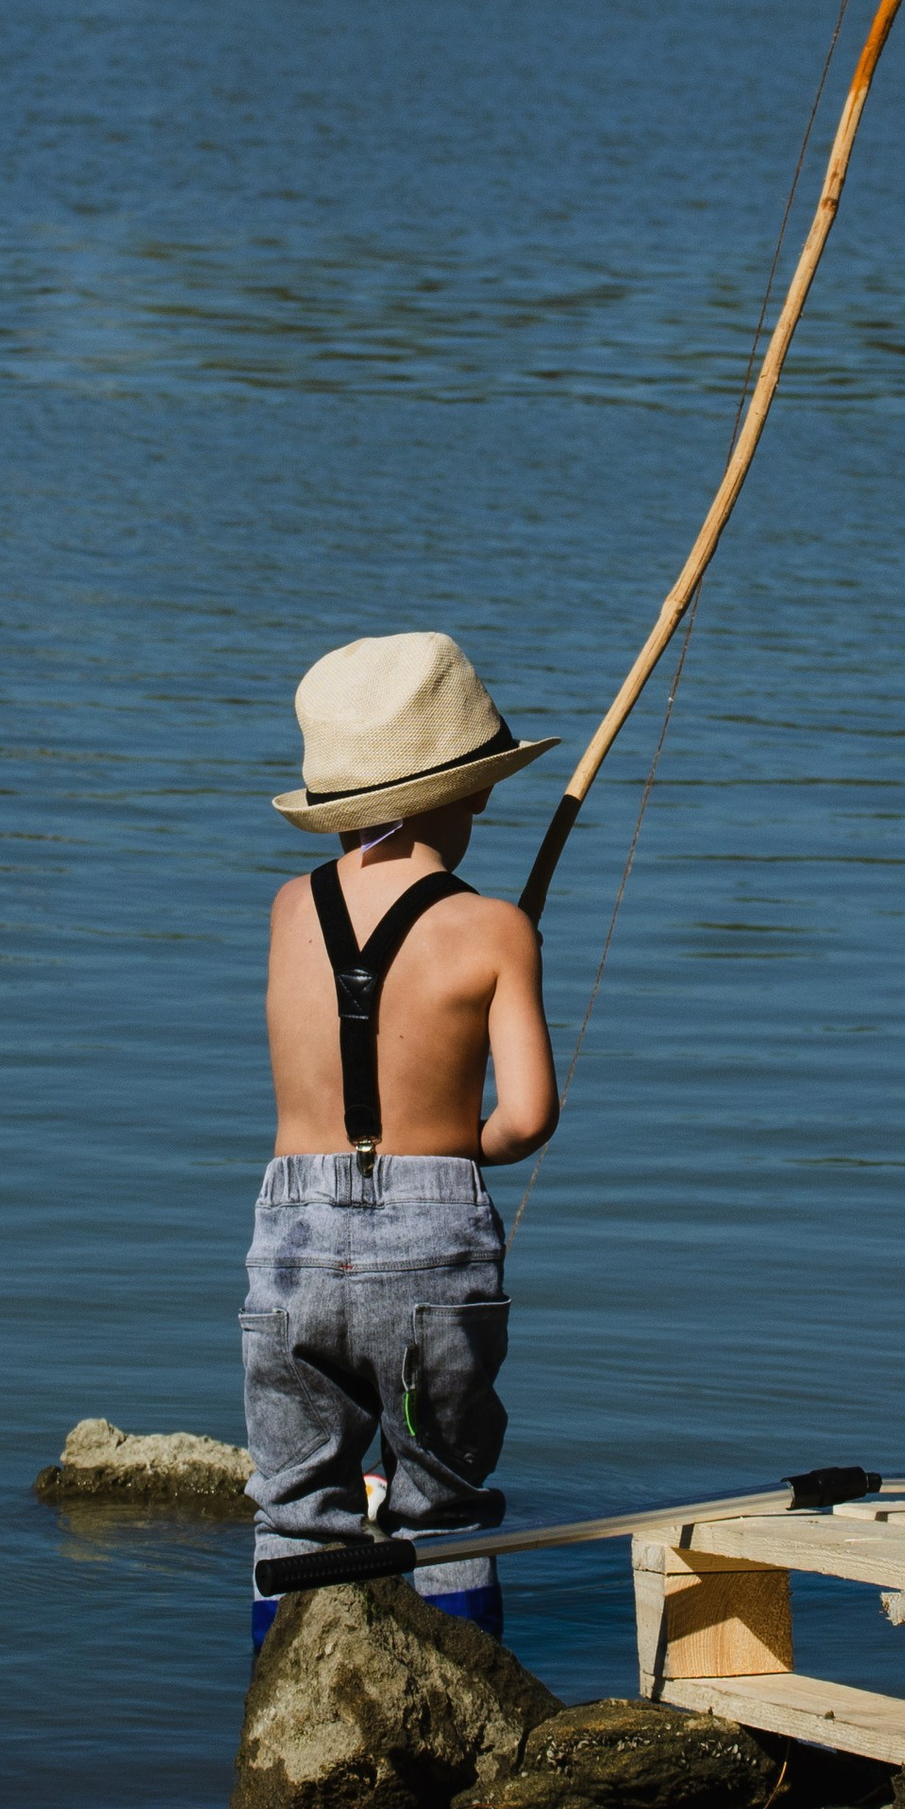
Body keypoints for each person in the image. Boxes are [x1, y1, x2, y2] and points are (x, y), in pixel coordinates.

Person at [244, 631, 560, 1648]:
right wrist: (454, 1143)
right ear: (454, 797)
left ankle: (285, 1725)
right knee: (445, 1501)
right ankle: (464, 1710)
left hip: (289, 1235)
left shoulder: (291, 907)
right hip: (431, 1235)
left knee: (295, 1507)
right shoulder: (496, 929)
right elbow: (527, 1118)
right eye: (480, 792)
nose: (484, 810)